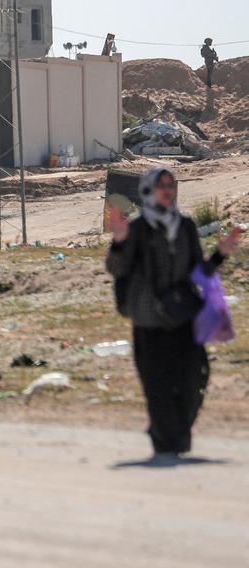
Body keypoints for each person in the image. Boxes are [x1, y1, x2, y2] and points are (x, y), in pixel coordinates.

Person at [106, 167, 241, 459]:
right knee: (158, 384)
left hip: (182, 318)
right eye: (161, 186)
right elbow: (117, 269)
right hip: (149, 320)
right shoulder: (138, 229)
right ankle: (166, 441)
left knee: (194, 379)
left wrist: (220, 254)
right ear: (148, 191)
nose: (168, 191)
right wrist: (118, 242)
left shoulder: (186, 226)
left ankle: (176, 433)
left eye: (171, 186)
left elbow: (197, 271)